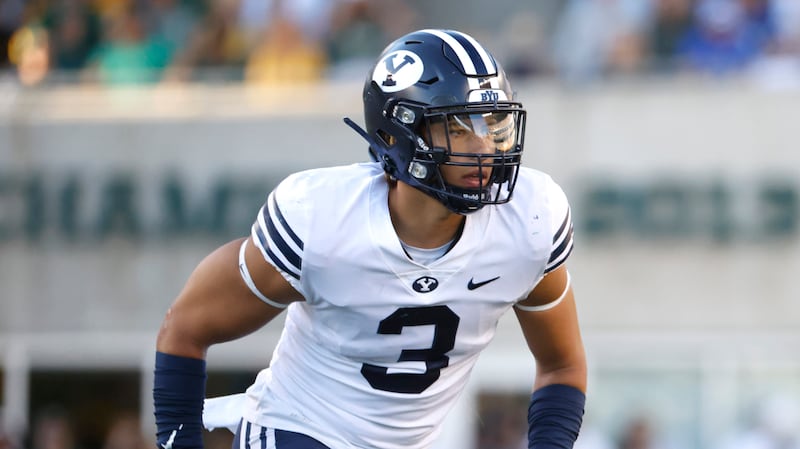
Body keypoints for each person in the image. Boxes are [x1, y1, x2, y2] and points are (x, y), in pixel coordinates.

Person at [153, 28, 587, 449]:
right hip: (299, 428)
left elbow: (562, 366)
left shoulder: (530, 220)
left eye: (492, 124)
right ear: (395, 133)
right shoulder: (322, 219)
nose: (484, 147)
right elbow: (185, 329)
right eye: (457, 128)